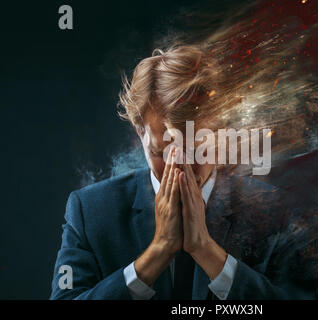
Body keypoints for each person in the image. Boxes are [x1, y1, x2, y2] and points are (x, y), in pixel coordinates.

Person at [50, 45, 298, 300]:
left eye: (195, 151)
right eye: (162, 153)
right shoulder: (90, 211)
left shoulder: (274, 210)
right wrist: (157, 253)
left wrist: (207, 251)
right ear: (139, 131)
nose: (179, 167)